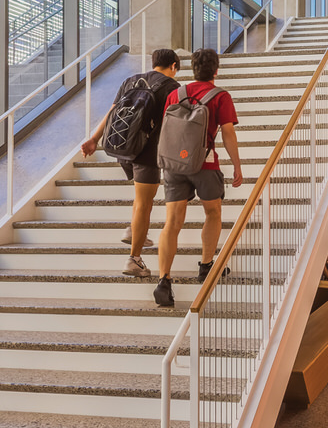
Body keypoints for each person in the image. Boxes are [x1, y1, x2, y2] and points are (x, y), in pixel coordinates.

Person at [152, 49, 243, 309]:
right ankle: (205, 265)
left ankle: (164, 281)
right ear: (216, 70)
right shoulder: (220, 96)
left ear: (192, 69)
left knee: (172, 221)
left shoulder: (175, 94)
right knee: (213, 212)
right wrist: (237, 166)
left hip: (174, 165)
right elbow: (228, 134)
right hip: (205, 163)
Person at [81, 48, 182, 278]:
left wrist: (94, 139)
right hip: (147, 152)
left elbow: (112, 111)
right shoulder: (172, 87)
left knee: (140, 200)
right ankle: (134, 260)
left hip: (122, 148)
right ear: (174, 66)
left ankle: (135, 229)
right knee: (143, 204)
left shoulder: (131, 80)